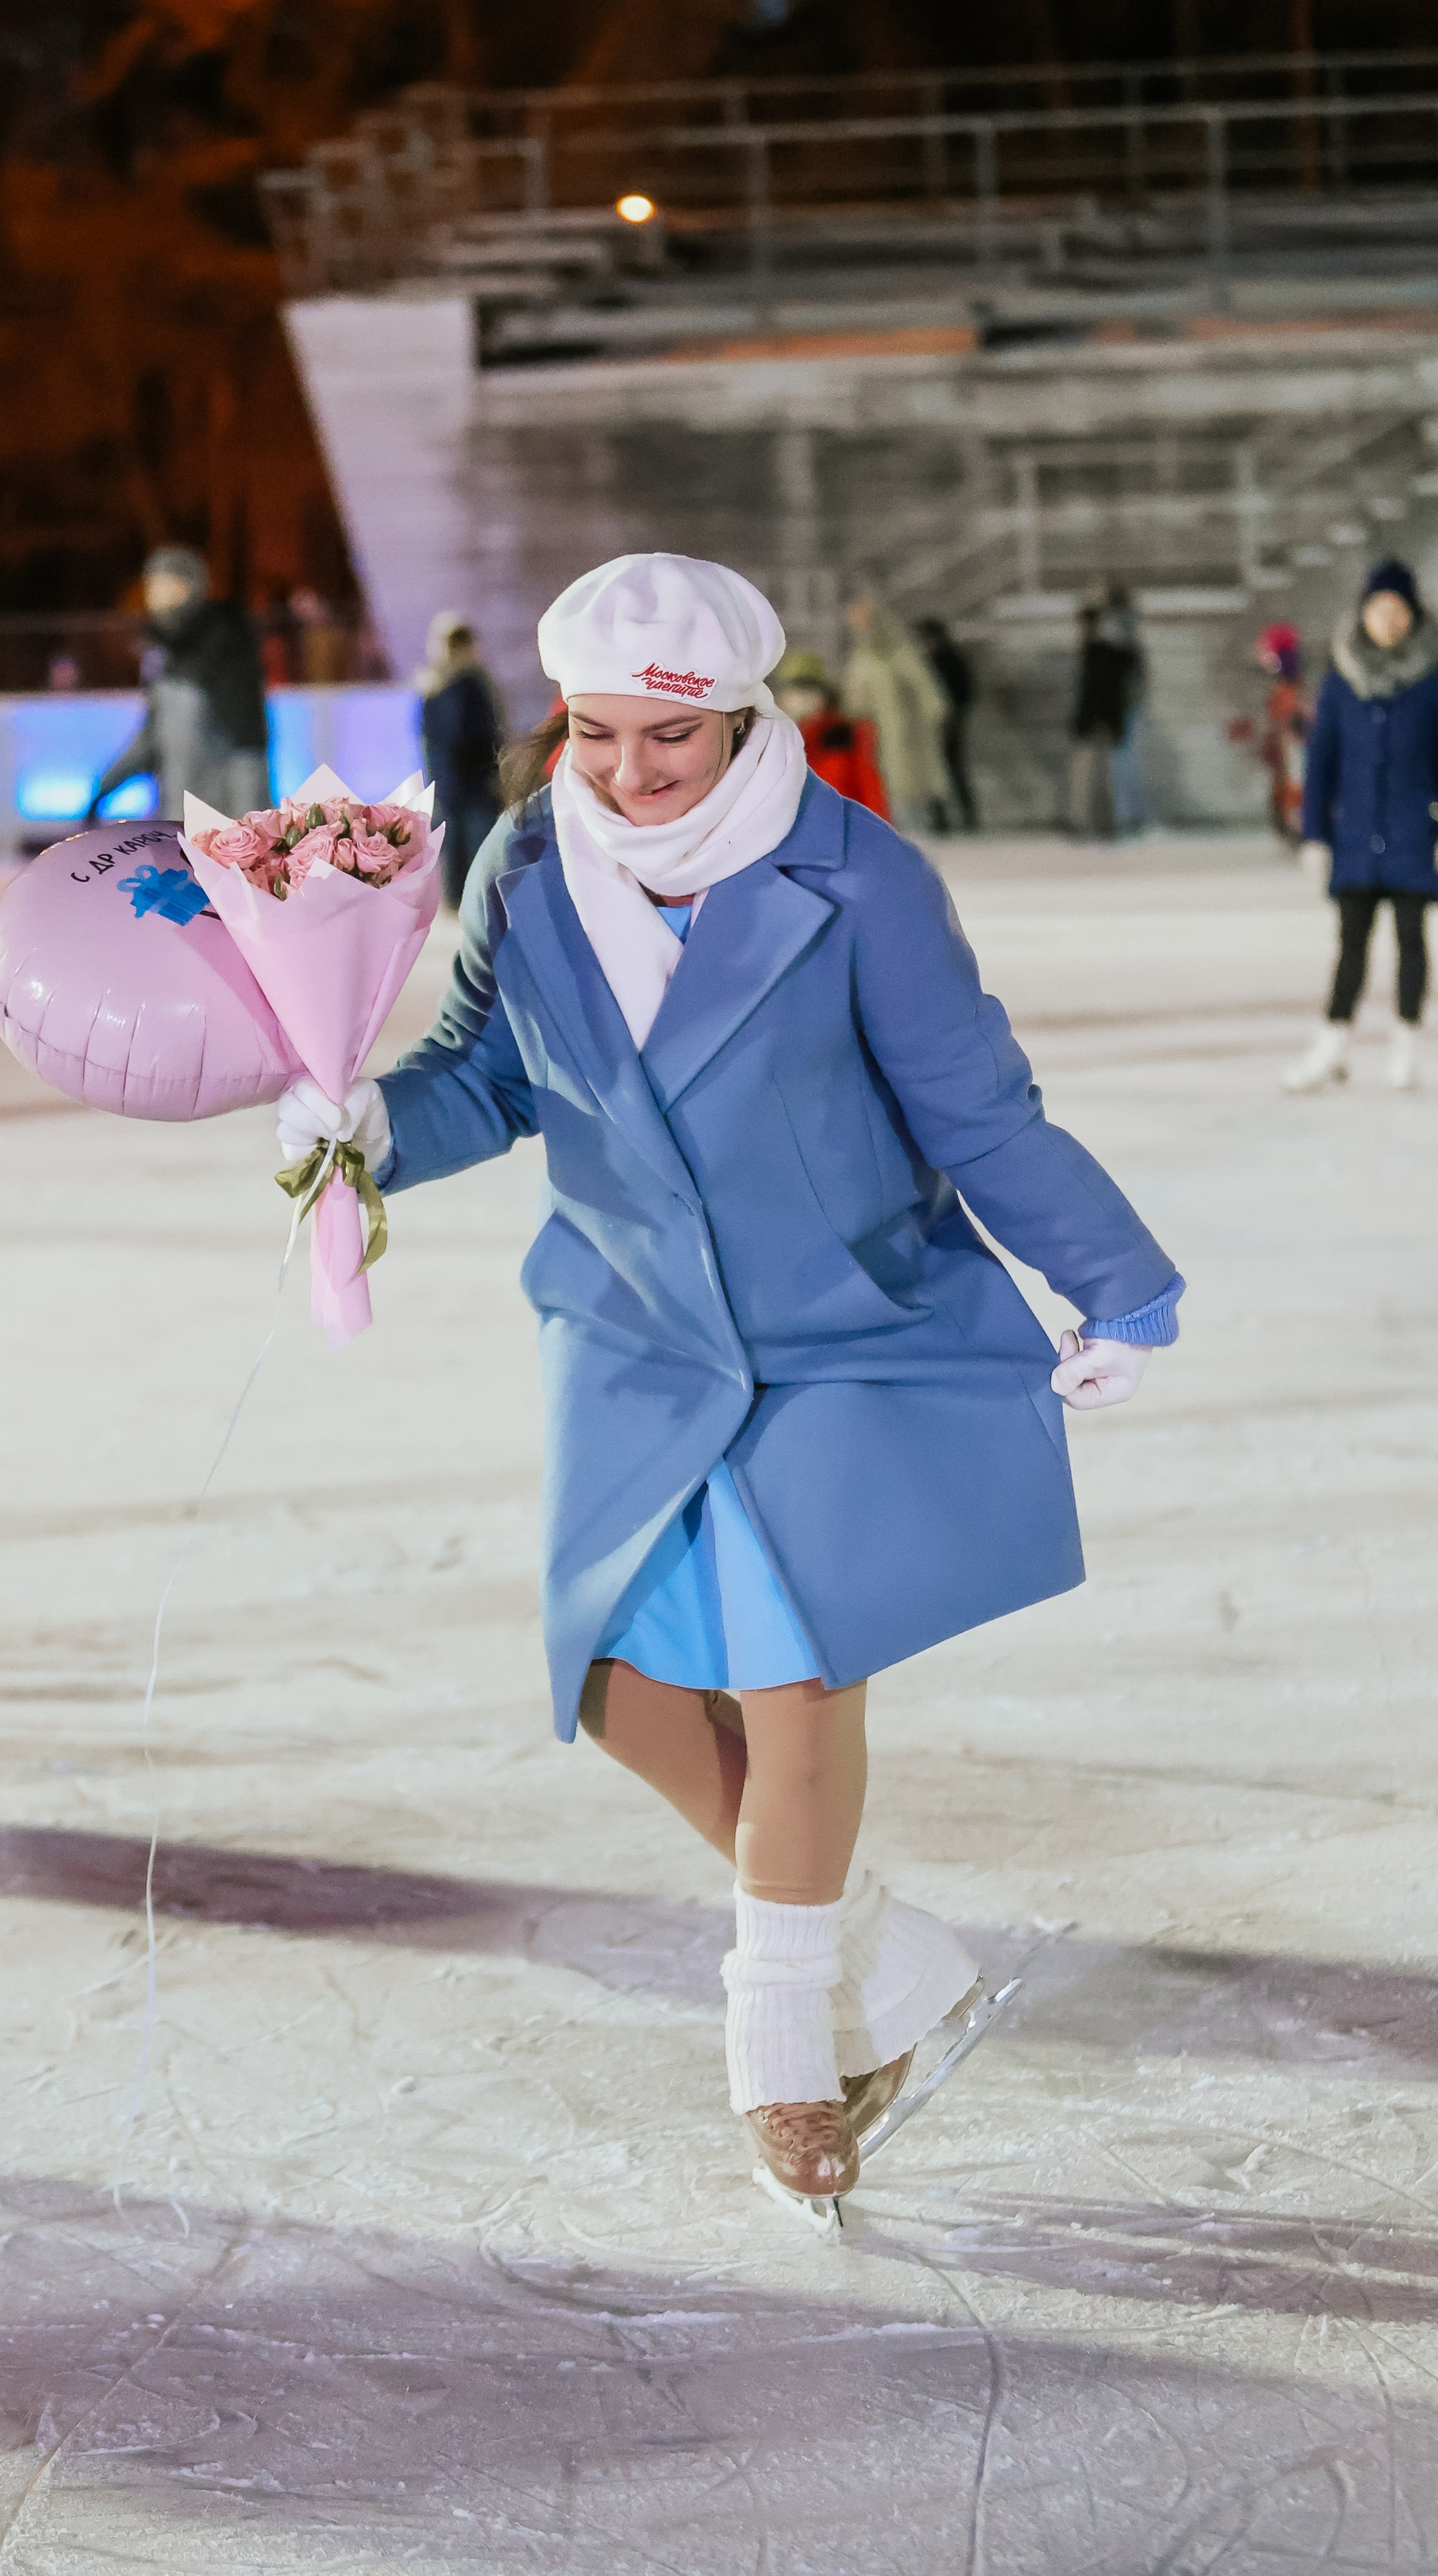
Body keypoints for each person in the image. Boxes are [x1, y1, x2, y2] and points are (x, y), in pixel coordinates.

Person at [276, 552, 1182, 2213]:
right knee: (614, 1682)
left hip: (839, 1323)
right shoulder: (532, 863)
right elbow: (491, 1072)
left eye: (664, 743)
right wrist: (371, 1134)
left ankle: (783, 2053)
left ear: (744, 717)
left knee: (788, 1670)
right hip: (628, 1327)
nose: (624, 773)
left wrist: (1112, 1276)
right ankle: (885, 1958)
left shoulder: (859, 881)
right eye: (595, 733)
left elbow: (976, 1109)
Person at [1284, 556, 1438, 1096]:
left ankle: (1405, 1045)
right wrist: (1315, 835)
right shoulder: (1342, 678)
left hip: (1415, 836)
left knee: (1411, 942)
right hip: (1357, 839)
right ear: (1364, 614)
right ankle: (1333, 1045)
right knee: (1350, 945)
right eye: (1379, 609)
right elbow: (1320, 760)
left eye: (1398, 611)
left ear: (1413, 616)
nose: (1389, 621)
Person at [87, 547, 268, 824]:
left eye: (166, 584)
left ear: (190, 587)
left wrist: (251, 827)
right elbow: (153, 736)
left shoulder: (225, 643)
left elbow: (247, 742)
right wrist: (105, 789)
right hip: (177, 820)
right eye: (152, 585)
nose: (153, 595)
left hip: (224, 827)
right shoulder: (162, 655)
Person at [415, 610, 506, 911]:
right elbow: (432, 739)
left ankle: (479, 902)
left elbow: (490, 733)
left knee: (480, 843)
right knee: (454, 845)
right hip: (450, 781)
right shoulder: (434, 687)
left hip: (477, 781)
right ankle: (460, 901)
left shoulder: (477, 684)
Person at [839, 593, 948, 830]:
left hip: (905, 725)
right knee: (878, 775)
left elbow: (923, 685)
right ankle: (890, 821)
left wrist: (933, 711)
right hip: (870, 727)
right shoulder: (863, 656)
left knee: (906, 775)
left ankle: (918, 821)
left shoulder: (899, 653)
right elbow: (855, 692)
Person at [772, 647, 889, 816]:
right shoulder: (773, 745)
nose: (800, 700)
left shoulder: (843, 743)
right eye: (794, 691)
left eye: (809, 690)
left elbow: (871, 799)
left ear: (824, 696)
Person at [1231, 621, 1310, 843]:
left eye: (1269, 656)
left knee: (1295, 788)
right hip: (1286, 756)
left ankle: (1297, 828)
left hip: (1295, 752)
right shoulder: (1283, 688)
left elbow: (1294, 719)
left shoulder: (1292, 688)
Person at [1068, 595, 1138, 841]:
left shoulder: (1102, 652)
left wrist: (1103, 721)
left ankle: (1109, 824)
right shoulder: (1090, 652)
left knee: (1107, 777)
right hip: (1094, 722)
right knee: (1090, 778)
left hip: (1100, 722)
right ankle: (1094, 824)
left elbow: (1107, 688)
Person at [913, 616, 979, 832]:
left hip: (950, 723)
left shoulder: (948, 659)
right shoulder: (928, 661)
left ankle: (964, 814)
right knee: (937, 770)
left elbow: (966, 692)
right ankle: (941, 816)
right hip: (932, 725)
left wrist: (955, 715)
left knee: (952, 768)